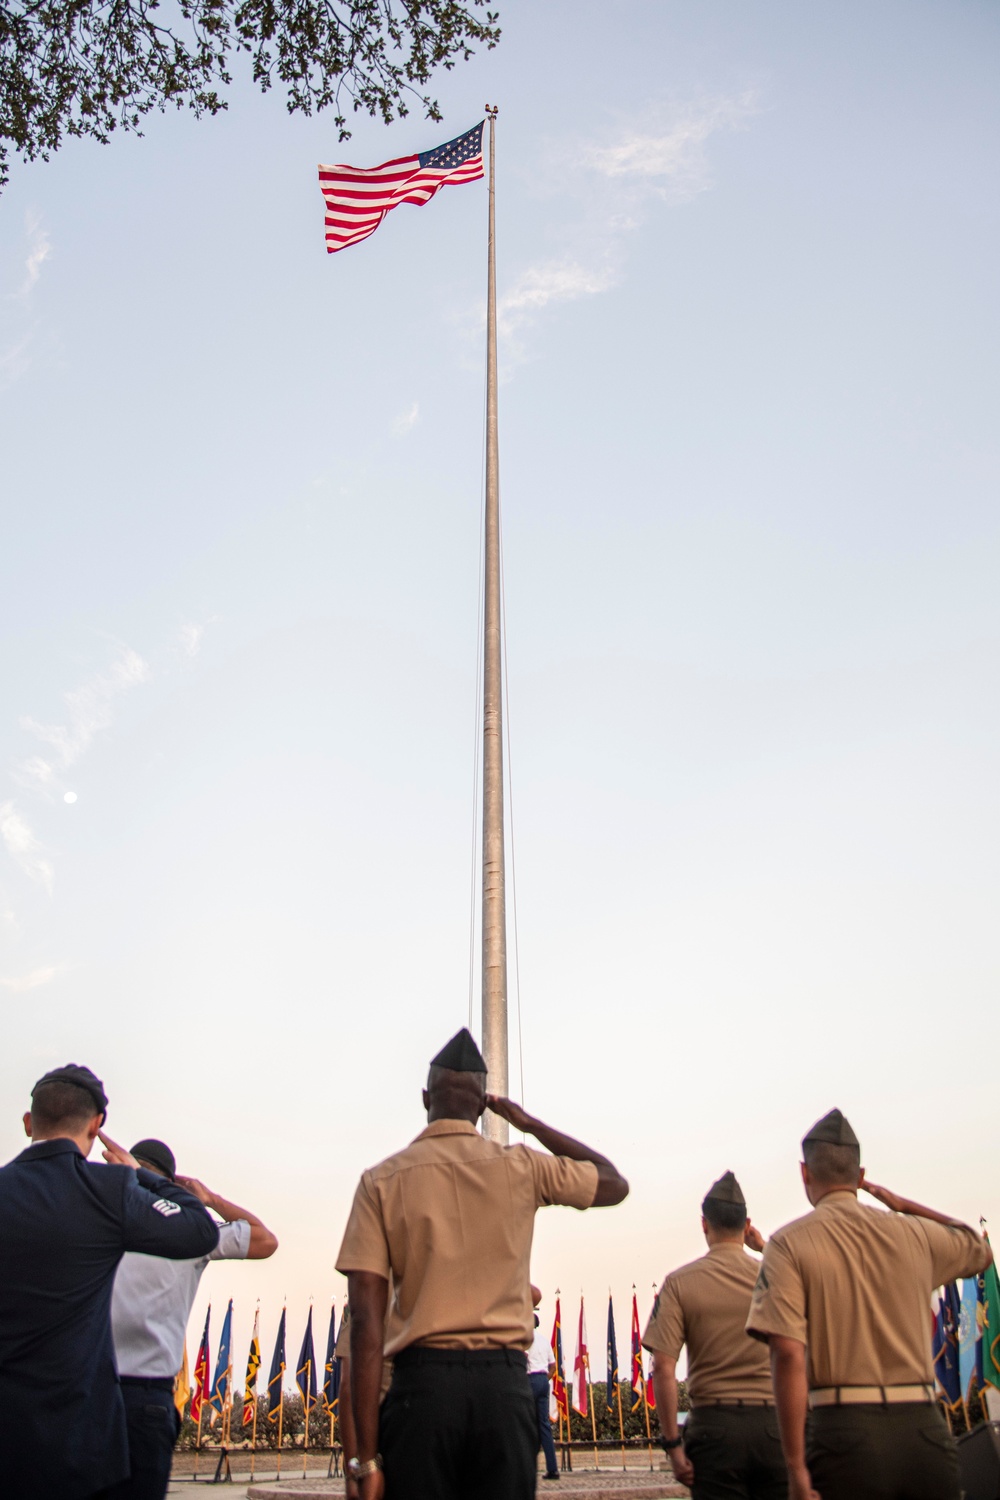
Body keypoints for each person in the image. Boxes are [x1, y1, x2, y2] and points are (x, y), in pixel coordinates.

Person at [336, 1027, 629, 1500]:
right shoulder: (523, 1166)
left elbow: (367, 1326)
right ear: (482, 1105)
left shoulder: (381, 1182)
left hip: (421, 1394)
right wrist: (530, 1124)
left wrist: (363, 1461)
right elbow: (614, 1182)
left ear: (425, 1098)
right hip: (503, 1391)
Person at [746, 1107, 993, 1500]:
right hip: (924, 1431)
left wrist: (794, 1467)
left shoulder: (788, 1244)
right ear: (860, 1177)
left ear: (804, 1173)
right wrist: (903, 1205)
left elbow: (788, 1354)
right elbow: (978, 1249)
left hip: (843, 1433)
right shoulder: (916, 1236)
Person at [0, 1065, 219, 1500]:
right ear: (97, 1125)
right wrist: (141, 1174)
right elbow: (200, 1228)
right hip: (81, 1441)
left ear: (28, 1122)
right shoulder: (109, 1191)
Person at [107, 1136, 279, 1500]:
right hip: (147, 1396)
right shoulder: (192, 1232)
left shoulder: (103, 1220)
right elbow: (264, 1239)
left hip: (89, 1387)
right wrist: (210, 1199)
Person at [644, 1171, 786, 1500]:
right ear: (747, 1224)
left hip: (714, 1427)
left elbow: (663, 1368)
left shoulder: (680, 1282)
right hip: (773, 1425)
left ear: (704, 1224)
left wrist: (673, 1445)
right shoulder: (774, 1277)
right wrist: (765, 1248)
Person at [527, 1284, 560, 1483]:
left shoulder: (525, 1339)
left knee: (526, 1425)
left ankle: (528, 1467)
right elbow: (553, 1366)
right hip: (542, 1379)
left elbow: (521, 1360)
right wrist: (543, 1381)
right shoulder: (544, 1340)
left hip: (528, 1378)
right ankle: (552, 1468)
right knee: (544, 1426)